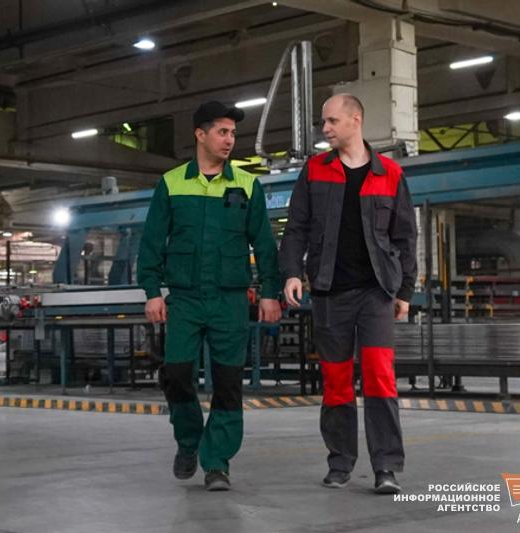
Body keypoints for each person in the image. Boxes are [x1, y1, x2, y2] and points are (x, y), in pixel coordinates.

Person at [137, 101, 282, 491]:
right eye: (222, 132)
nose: (229, 140)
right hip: (184, 299)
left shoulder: (247, 184)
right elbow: (152, 242)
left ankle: (217, 462)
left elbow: (264, 245)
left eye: (233, 133)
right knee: (176, 374)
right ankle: (189, 441)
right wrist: (152, 291)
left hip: (229, 299)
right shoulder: (172, 183)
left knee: (228, 382)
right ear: (200, 135)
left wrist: (270, 292)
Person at [279, 94, 417, 494]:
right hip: (329, 292)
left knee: (380, 380)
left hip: (376, 293)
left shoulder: (390, 173)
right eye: (324, 122)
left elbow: (405, 236)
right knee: (336, 382)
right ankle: (340, 463)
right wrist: (292, 273)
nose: (325, 129)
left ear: (356, 120)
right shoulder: (315, 170)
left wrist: (405, 289)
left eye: (331, 121)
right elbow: (296, 228)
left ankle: (386, 467)